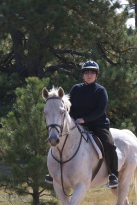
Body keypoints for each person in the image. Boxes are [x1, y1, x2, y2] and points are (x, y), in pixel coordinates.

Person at [45, 60, 119, 188]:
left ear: (96, 75)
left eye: (92, 72)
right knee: (59, 140)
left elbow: (100, 111)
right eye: (86, 72)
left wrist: (84, 119)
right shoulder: (76, 89)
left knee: (109, 145)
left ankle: (113, 174)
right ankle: (53, 173)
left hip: (98, 125)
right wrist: (72, 120)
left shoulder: (101, 91)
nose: (89, 75)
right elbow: (69, 108)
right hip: (77, 125)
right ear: (83, 75)